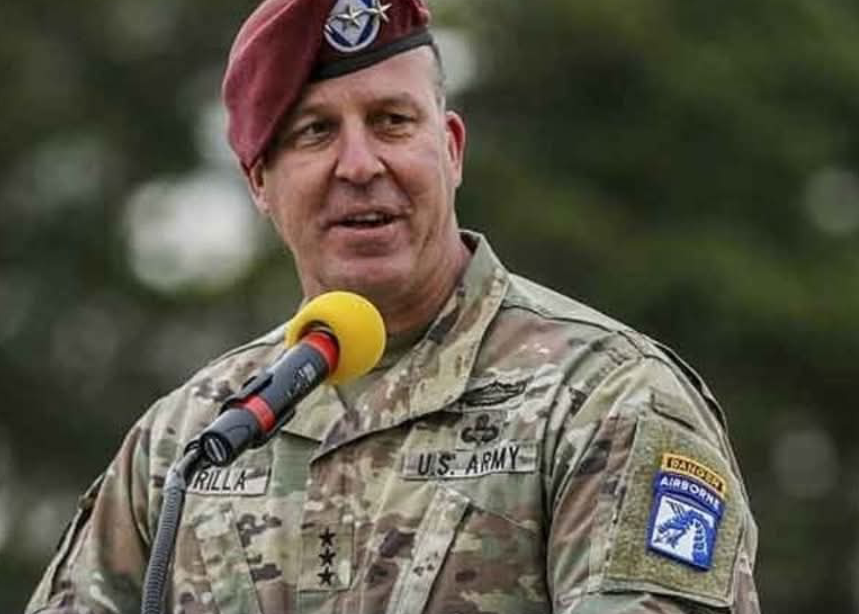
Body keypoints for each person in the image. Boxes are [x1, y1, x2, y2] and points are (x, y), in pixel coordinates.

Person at [26, 0, 760, 612]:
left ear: (452, 149)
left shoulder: (606, 398)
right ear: (259, 183)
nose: (359, 164)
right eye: (315, 132)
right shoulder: (190, 442)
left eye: (391, 122)